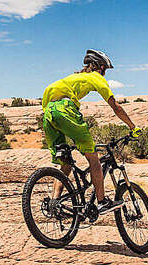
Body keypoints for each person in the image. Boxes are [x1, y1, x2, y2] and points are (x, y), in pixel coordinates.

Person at [41, 49, 140, 214]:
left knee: (66, 163)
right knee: (94, 159)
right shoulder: (95, 77)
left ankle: (54, 203)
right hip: (65, 109)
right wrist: (132, 127)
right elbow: (115, 106)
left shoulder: (74, 77)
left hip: (48, 114)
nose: (105, 73)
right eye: (106, 70)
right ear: (100, 67)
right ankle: (101, 202)